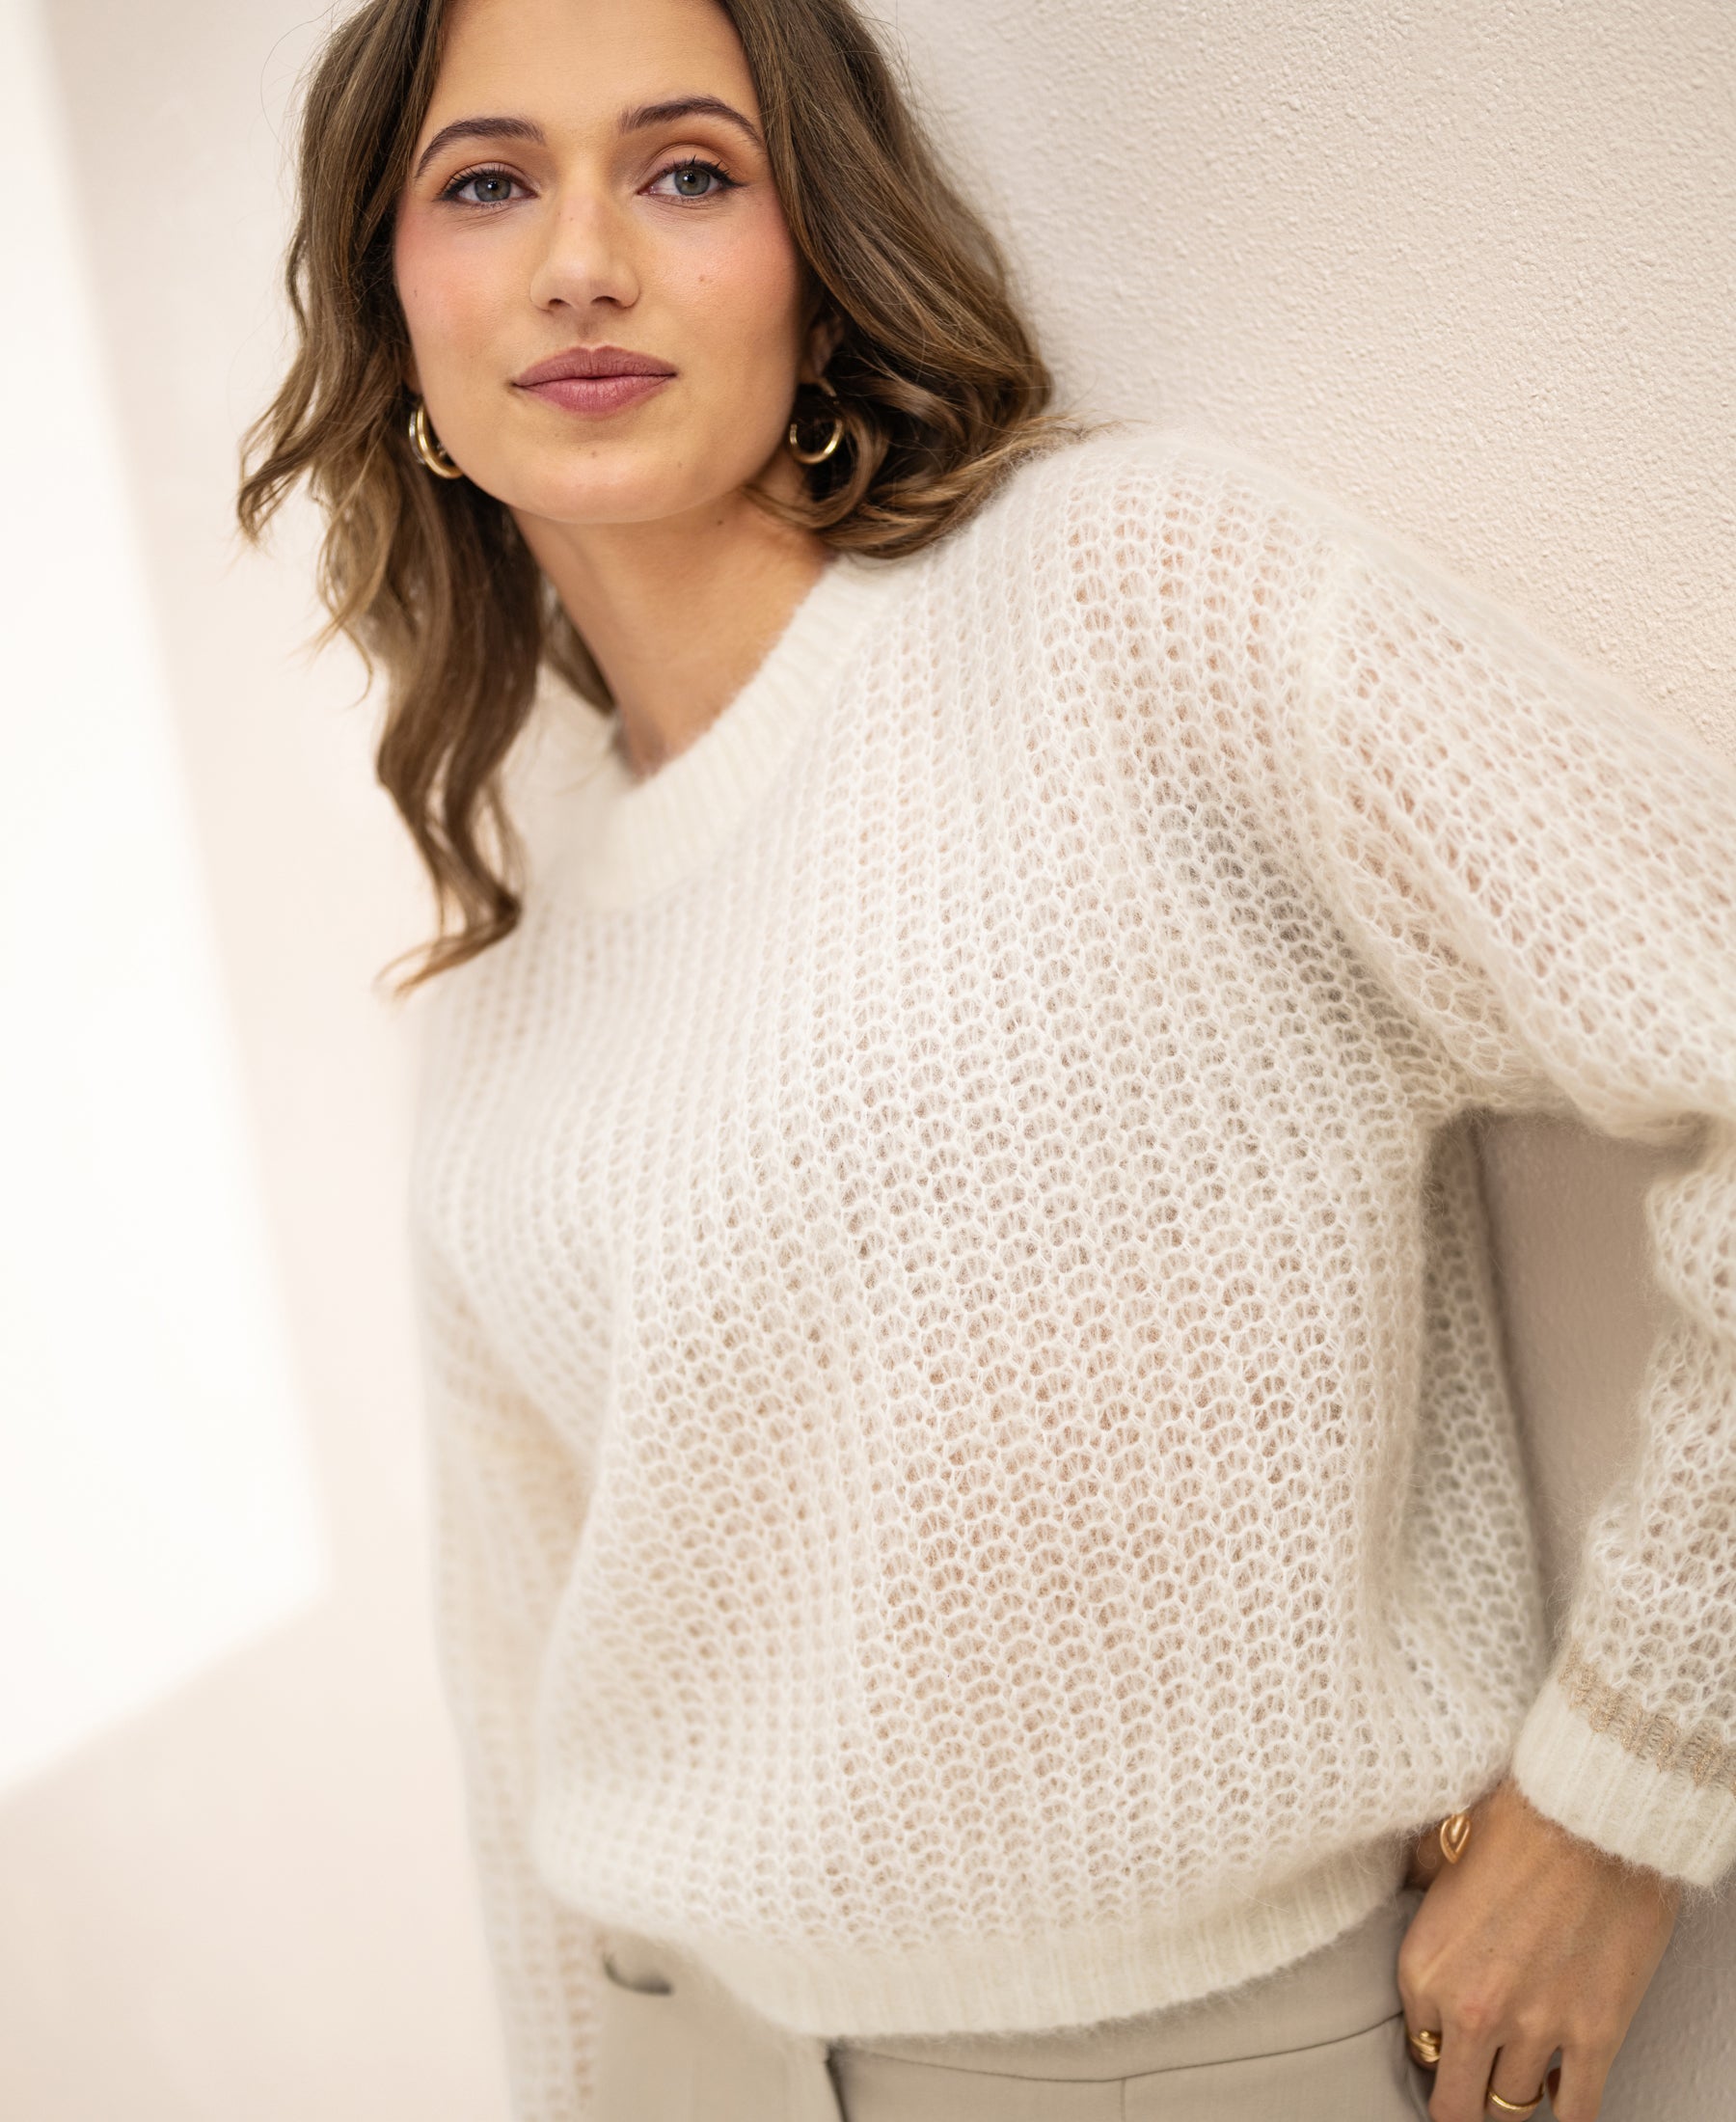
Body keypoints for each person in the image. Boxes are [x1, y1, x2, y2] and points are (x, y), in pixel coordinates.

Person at [236, 0, 1736, 2117]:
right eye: (485, 183)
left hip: (1217, 2060)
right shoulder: (497, 988)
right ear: (396, 318)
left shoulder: (1135, 610)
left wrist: (1627, 1789)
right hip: (693, 2060)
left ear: (818, 256)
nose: (581, 259)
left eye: (686, 171)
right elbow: (521, 1710)